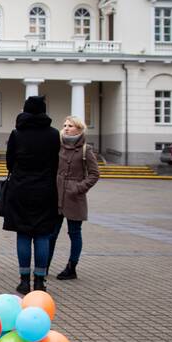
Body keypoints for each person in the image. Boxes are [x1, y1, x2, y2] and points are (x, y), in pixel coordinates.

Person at [2, 95, 60, 294]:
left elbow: (9, 163)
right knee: (43, 235)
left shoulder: (17, 134)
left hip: (20, 190)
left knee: (23, 234)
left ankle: (24, 280)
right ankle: (40, 281)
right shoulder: (53, 135)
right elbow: (56, 164)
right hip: (45, 190)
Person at [47, 115, 100, 280]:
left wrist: (78, 188)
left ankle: (71, 267)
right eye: (64, 125)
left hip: (74, 198)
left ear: (79, 129)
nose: (66, 128)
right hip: (56, 196)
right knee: (51, 234)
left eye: (70, 125)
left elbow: (94, 174)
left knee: (75, 233)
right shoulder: (57, 146)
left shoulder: (86, 149)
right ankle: (44, 266)